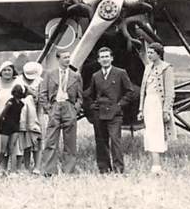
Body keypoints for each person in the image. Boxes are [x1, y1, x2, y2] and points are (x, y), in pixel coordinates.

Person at [83, 46, 136, 174]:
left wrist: (120, 104)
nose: (105, 59)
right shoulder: (96, 76)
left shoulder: (120, 73)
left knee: (115, 141)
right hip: (99, 113)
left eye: (107, 57)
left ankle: (118, 169)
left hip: (115, 114)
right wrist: (91, 105)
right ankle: (104, 169)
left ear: (112, 58)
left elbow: (130, 92)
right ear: (98, 60)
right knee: (100, 142)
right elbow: (89, 93)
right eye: (102, 57)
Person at [38, 49, 83, 176]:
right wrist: (49, 108)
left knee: (70, 141)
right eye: (65, 58)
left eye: (69, 57)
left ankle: (68, 171)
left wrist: (76, 108)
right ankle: (49, 171)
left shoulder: (76, 76)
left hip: (69, 106)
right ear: (58, 59)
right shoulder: (49, 74)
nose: (68, 60)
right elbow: (43, 94)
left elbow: (80, 96)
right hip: (55, 106)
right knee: (51, 140)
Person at [138, 43, 175, 174]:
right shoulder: (147, 68)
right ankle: (155, 165)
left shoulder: (167, 68)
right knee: (150, 133)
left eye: (151, 53)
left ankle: (156, 166)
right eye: (148, 53)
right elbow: (143, 90)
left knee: (157, 133)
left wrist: (166, 110)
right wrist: (141, 109)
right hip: (148, 103)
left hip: (158, 104)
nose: (149, 55)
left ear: (159, 54)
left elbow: (170, 91)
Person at [0, 61, 23, 173]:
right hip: (0, 118)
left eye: (9, 69)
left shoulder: (18, 82)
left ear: (13, 71)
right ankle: (2, 168)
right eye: (4, 70)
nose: (7, 72)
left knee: (13, 146)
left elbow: (26, 95)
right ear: (0, 72)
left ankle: (14, 169)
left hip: (14, 118)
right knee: (1, 146)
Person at [0, 84, 33, 174]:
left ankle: (13, 170)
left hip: (15, 126)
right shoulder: (10, 102)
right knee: (3, 150)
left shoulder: (21, 103)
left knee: (12, 148)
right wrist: (1, 127)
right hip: (6, 126)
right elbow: (2, 115)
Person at [20, 61, 44, 173]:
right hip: (23, 114)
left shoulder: (40, 82)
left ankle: (37, 166)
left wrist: (33, 94)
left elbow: (42, 99)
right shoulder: (19, 81)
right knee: (25, 140)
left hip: (37, 113)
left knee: (37, 139)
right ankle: (26, 166)